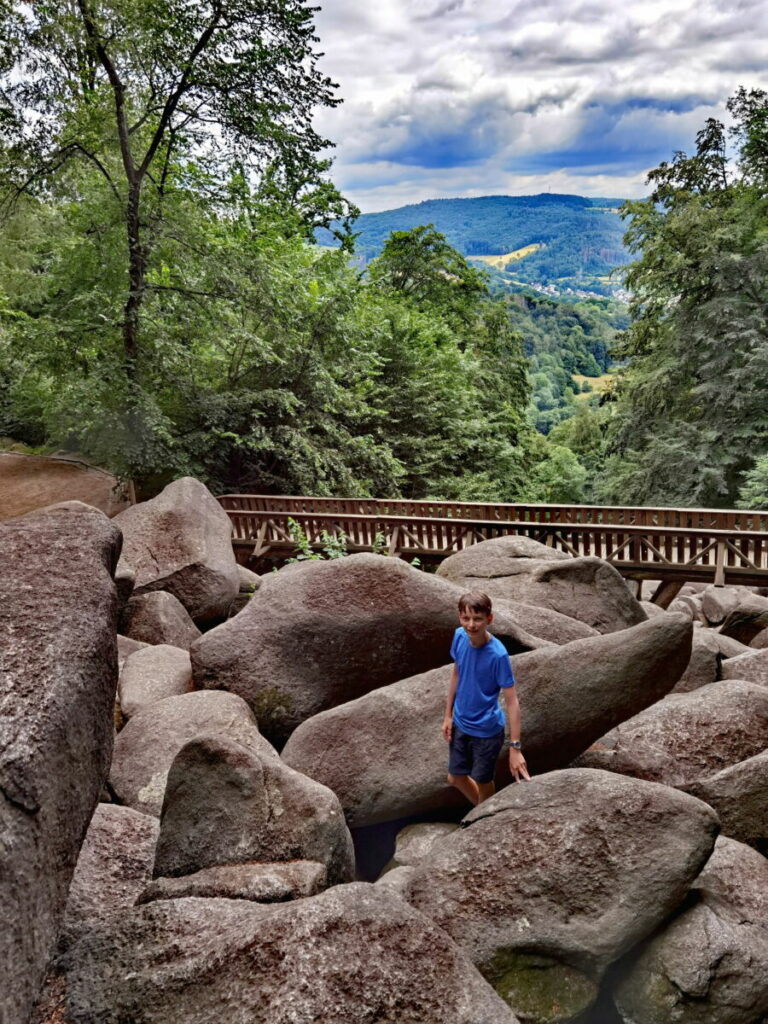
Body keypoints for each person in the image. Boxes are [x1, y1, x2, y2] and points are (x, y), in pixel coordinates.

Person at [442, 590, 530, 805]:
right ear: (459, 617)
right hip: (461, 723)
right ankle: (482, 814)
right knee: (455, 777)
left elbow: (512, 701)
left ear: (489, 619)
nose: (471, 625)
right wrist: (447, 715)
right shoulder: (459, 636)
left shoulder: (498, 655)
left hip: (486, 731)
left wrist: (515, 747)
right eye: (466, 618)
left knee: (482, 781)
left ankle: (482, 821)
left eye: (478, 619)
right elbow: (457, 672)